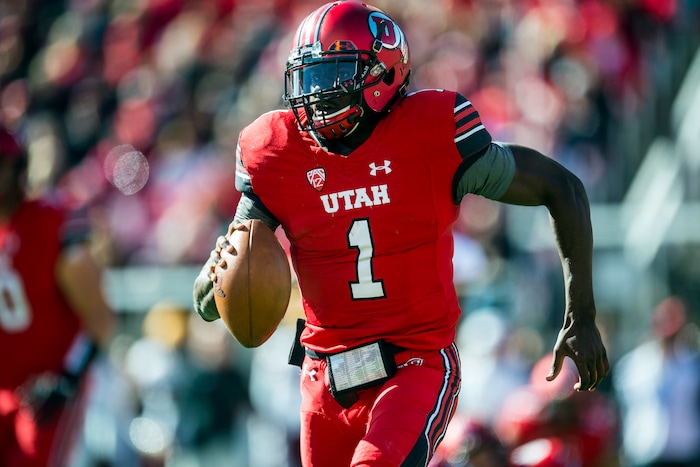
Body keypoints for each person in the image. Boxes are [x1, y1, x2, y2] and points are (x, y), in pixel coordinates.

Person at [192, 1, 609, 465]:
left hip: (414, 363)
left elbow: (562, 187)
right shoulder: (274, 149)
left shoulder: (433, 132)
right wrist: (220, 284)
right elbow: (208, 299)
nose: (316, 94)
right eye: (309, 78)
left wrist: (581, 314)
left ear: (383, 73)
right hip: (323, 378)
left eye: (334, 76)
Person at [0, 124, 117, 467]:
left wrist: (67, 378)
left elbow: (101, 318)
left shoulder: (51, 222)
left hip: (44, 390)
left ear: (16, 169)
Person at [613, 296, 700, 467]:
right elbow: (620, 408)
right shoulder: (633, 364)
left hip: (685, 453)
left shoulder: (693, 365)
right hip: (643, 452)